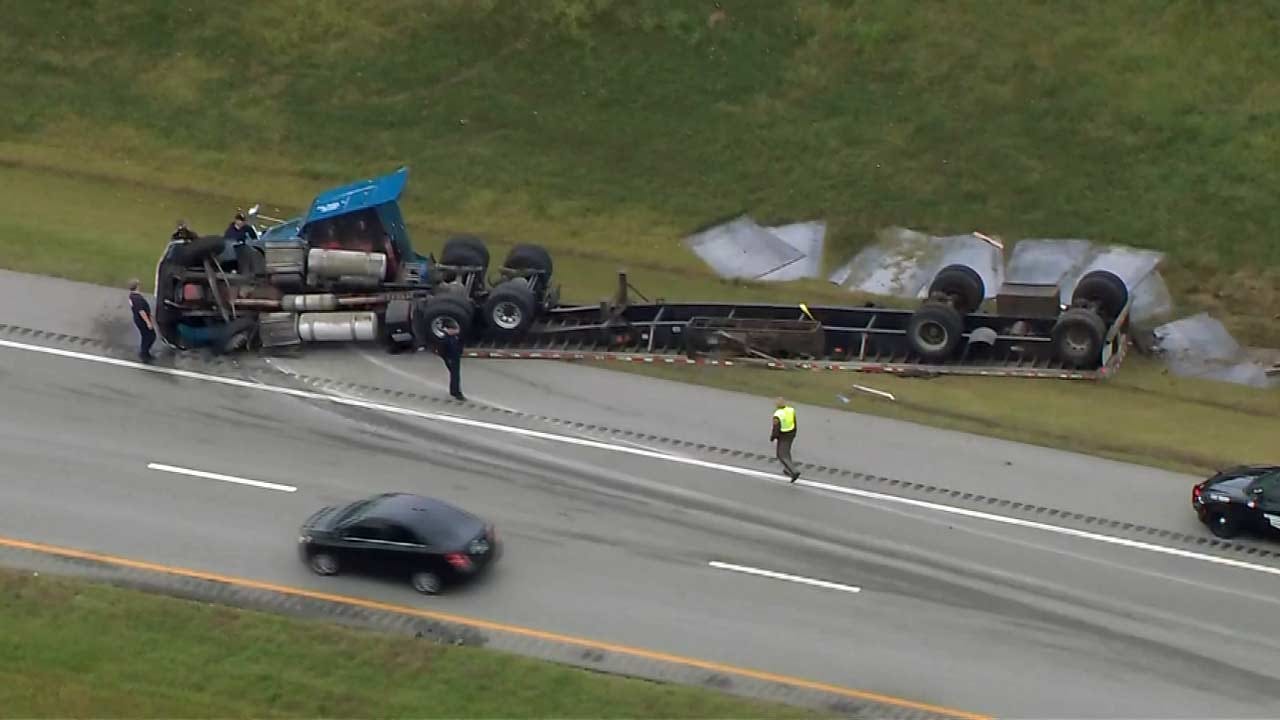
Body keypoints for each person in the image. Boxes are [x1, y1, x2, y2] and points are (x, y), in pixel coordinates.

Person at [770, 397, 800, 482]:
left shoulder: (777, 415)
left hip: (783, 435)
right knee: (786, 452)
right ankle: (787, 469)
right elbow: (794, 422)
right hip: (791, 433)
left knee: (781, 454)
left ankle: (794, 471)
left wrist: (773, 437)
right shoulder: (791, 410)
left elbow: (776, 428)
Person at [127, 279, 156, 363]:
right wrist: (148, 322)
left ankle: (144, 352)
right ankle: (144, 353)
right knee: (151, 336)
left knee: (145, 336)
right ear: (137, 286)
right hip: (142, 320)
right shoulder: (137, 299)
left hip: (138, 319)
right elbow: (141, 311)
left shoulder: (132, 296)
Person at [437, 324, 465, 401]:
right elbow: (441, 351)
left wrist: (459, 352)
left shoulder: (455, 337)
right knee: (455, 376)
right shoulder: (444, 339)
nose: (457, 331)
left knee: (455, 376)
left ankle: (453, 391)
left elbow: (460, 344)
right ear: (449, 330)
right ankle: (457, 393)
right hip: (451, 359)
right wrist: (447, 359)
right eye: (454, 329)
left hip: (455, 358)